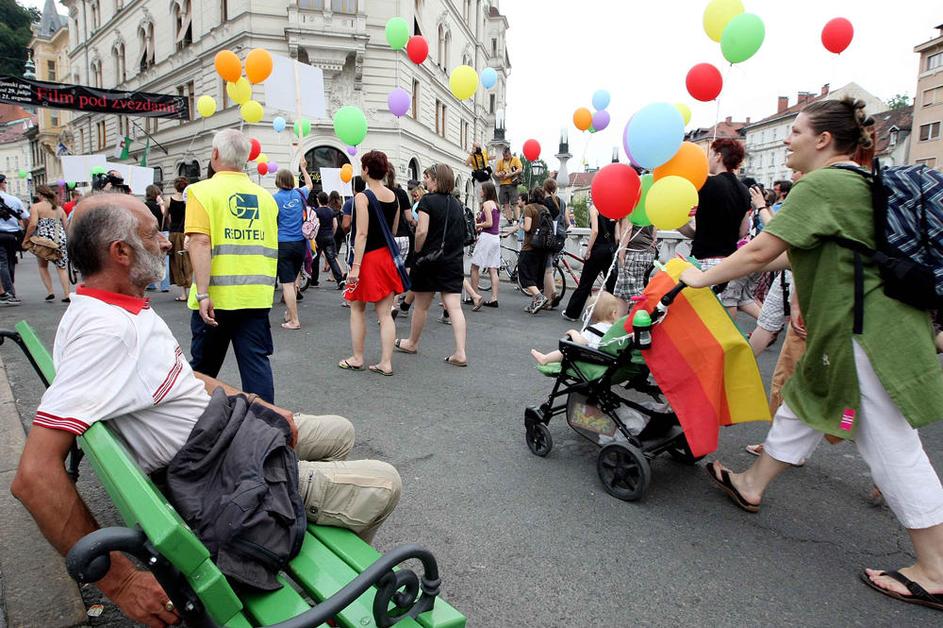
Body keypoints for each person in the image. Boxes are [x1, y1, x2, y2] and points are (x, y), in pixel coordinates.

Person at [11, 194, 402, 627]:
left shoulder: (115, 305)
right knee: (384, 483)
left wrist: (256, 403)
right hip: (217, 476)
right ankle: (326, 581)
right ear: (120, 253)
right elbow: (34, 477)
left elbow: (186, 377)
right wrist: (122, 582)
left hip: (225, 438)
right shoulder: (106, 334)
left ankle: (298, 521)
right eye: (152, 235)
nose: (166, 242)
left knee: (341, 431)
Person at [678, 97, 943, 610]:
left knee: (892, 448)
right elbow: (801, 252)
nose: (788, 138)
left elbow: (763, 249)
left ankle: (935, 569)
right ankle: (752, 483)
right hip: (862, 328)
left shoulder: (822, 185)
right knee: (804, 401)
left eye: (796, 131)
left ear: (823, 140)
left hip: (864, 333)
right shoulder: (857, 181)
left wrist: (700, 278)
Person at [185, 129, 280, 403]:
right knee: (256, 366)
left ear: (215, 154)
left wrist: (202, 293)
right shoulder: (266, 198)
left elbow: (201, 242)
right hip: (255, 295)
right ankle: (266, 422)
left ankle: (195, 421)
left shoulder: (201, 192)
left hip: (215, 297)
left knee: (203, 369)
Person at [394, 164, 468, 366]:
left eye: (427, 177)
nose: (425, 181)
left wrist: (417, 250)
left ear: (436, 180)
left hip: (429, 260)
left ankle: (412, 343)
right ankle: (460, 352)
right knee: (455, 307)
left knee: (421, 306)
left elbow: (422, 231)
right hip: (452, 260)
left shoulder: (427, 201)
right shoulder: (457, 204)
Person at [341, 150, 404, 376]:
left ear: (367, 169)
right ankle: (386, 363)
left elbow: (362, 234)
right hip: (387, 257)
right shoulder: (394, 196)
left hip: (368, 259)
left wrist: (355, 267)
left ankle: (357, 357)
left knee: (357, 308)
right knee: (385, 314)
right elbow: (393, 230)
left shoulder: (362, 197)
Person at [680, 138, 757, 320]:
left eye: (711, 154)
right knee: (724, 318)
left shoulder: (705, 185)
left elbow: (685, 224)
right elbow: (743, 230)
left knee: (701, 317)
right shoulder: (743, 189)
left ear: (718, 156)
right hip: (731, 262)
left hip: (704, 261)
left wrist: (687, 229)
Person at [273, 165, 313, 330]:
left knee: (287, 284)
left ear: (278, 181)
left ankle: (294, 320)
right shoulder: (300, 194)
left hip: (283, 243)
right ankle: (290, 314)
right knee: (294, 280)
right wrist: (303, 168)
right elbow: (310, 184)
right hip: (300, 244)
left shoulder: (274, 199)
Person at [562, 203, 617, 321]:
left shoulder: (595, 208)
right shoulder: (613, 208)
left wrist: (588, 250)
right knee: (612, 285)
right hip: (610, 250)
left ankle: (572, 313)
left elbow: (595, 231)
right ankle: (615, 314)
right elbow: (617, 235)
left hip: (597, 250)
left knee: (585, 283)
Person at [531, 292, 619, 365]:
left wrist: (573, 333)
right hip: (609, 359)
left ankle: (545, 358)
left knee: (568, 349)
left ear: (592, 315)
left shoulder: (594, 330)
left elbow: (581, 342)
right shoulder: (615, 330)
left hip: (593, 358)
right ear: (613, 314)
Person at [22, 185, 71, 303]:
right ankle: (67, 294)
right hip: (59, 238)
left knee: (43, 266)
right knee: (61, 268)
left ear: (40, 195)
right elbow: (66, 227)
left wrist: (26, 238)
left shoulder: (36, 207)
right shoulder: (59, 209)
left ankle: (50, 292)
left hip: (44, 240)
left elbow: (33, 224)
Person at [463, 182, 502, 309]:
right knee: (493, 269)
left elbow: (489, 223)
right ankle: (494, 298)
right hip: (495, 238)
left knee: (474, 267)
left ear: (486, 191)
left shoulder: (486, 204)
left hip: (487, 237)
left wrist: (477, 225)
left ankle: (474, 295)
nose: (480, 191)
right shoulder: (496, 205)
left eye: (481, 189)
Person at [612, 218, 657, 314]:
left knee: (634, 295)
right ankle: (619, 320)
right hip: (647, 252)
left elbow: (627, 229)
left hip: (634, 252)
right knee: (621, 291)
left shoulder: (632, 210)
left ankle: (636, 320)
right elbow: (654, 230)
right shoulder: (648, 210)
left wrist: (621, 254)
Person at [517, 188, 551, 313]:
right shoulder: (545, 209)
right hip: (543, 247)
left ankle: (540, 297)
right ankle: (534, 303)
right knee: (535, 277)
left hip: (530, 246)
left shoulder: (529, 208)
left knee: (524, 274)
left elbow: (527, 227)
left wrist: (520, 225)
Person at [0, 173, 27, 305]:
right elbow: (25, 217)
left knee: (2, 263)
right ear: (1, 183)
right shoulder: (14, 200)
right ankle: (10, 288)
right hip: (12, 235)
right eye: (5, 182)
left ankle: (8, 291)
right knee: (11, 262)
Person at [311, 191, 345, 289]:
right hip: (329, 237)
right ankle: (339, 279)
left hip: (319, 237)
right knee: (332, 258)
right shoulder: (331, 211)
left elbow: (315, 226)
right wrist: (332, 234)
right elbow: (335, 225)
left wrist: (313, 238)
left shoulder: (316, 212)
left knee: (316, 259)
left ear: (318, 200)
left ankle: (314, 281)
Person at [166, 176, 192, 302]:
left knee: (177, 262)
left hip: (174, 234)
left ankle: (183, 293)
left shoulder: (169, 199)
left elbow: (166, 216)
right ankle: (191, 288)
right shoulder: (190, 200)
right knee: (188, 261)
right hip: (188, 232)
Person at [144, 184, 171, 293]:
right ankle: (165, 285)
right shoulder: (162, 205)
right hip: (163, 231)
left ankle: (151, 283)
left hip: (151, 232)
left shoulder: (146, 206)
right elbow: (167, 217)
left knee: (150, 257)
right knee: (165, 259)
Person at [494, 147, 523, 224]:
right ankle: (509, 220)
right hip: (503, 184)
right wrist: (499, 174)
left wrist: (511, 174)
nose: (505, 157)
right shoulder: (500, 162)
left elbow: (520, 169)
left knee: (515, 203)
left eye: (506, 155)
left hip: (512, 184)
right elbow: (496, 172)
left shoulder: (515, 159)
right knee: (505, 203)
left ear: (510, 154)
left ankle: (517, 220)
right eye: (503, 155)